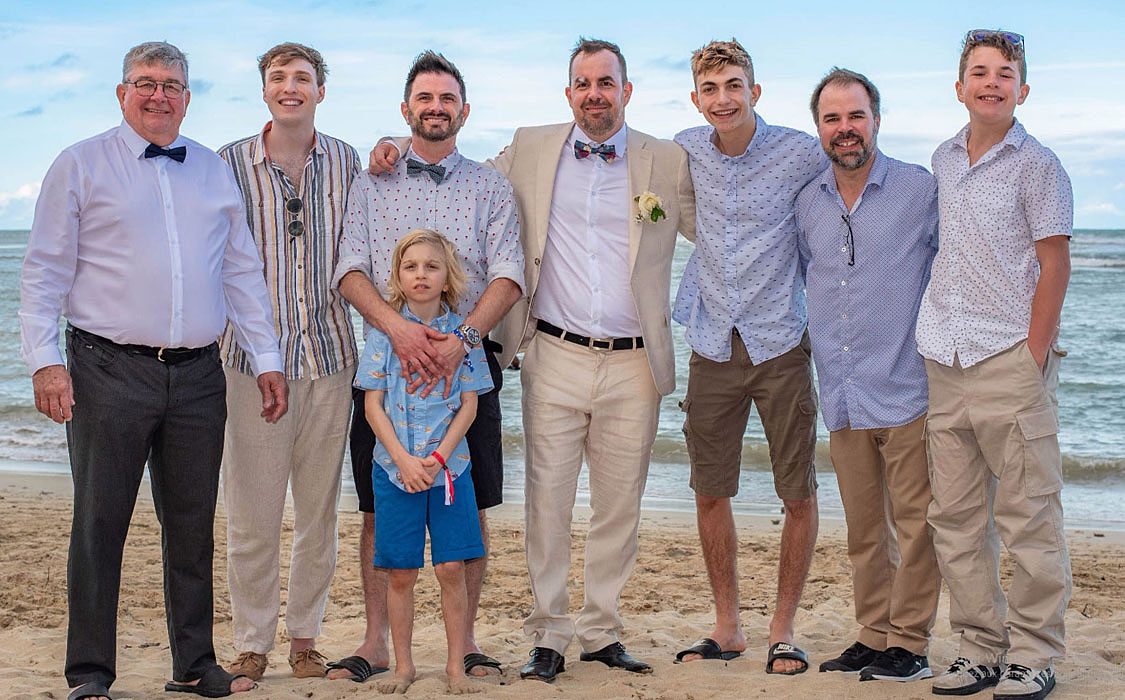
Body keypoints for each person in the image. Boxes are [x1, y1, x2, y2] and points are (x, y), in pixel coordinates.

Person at [18, 41, 287, 700]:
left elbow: (240, 270)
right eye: (145, 82)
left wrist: (267, 358)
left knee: (192, 527)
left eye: (170, 85)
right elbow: (45, 270)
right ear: (122, 93)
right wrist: (45, 361)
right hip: (105, 369)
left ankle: (194, 664)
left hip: (199, 375)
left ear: (187, 99)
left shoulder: (211, 170)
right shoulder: (79, 164)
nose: (158, 95)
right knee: (100, 525)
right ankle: (90, 674)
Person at [479, 38, 695, 682]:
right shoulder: (530, 147)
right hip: (553, 353)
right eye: (583, 83)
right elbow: (465, 186)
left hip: (636, 362)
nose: (594, 94)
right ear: (568, 92)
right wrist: (396, 152)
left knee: (618, 505)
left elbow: (721, 228)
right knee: (546, 502)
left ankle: (601, 630)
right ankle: (547, 633)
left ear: (626, 91)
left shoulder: (667, 159)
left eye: (606, 82)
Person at [329, 50, 523, 683]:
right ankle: (377, 643)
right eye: (425, 98)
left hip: (465, 360)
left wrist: (459, 340)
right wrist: (400, 331)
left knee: (469, 504)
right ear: (405, 109)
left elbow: (508, 275)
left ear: (463, 112)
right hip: (389, 365)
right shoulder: (371, 182)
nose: (436, 108)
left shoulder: (491, 187)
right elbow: (349, 271)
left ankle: (464, 646)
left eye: (447, 99)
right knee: (378, 508)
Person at [918, 30, 1072, 700]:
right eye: (978, 72)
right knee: (954, 521)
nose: (990, 83)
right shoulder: (942, 159)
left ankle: (1033, 654)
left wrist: (1033, 354)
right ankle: (979, 649)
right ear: (959, 88)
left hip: (1008, 358)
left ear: (1022, 90)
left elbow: (1054, 263)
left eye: (1003, 73)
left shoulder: (1039, 166)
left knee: (1028, 518)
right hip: (944, 358)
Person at [670, 39, 825, 675]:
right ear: (696, 98)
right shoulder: (684, 149)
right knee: (710, 490)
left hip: (781, 340)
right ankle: (728, 626)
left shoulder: (800, 151)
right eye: (710, 89)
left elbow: (858, 177)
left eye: (734, 85)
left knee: (798, 492)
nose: (723, 99)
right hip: (711, 341)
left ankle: (782, 629)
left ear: (754, 91)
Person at [218, 42, 361, 682]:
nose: (290, 87)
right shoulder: (228, 164)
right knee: (252, 514)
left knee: (318, 513)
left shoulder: (348, 161)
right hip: (250, 364)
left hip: (330, 358)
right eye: (278, 77)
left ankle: (305, 640)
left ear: (320, 92)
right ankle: (252, 641)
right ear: (265, 90)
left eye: (302, 78)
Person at [794, 68, 941, 682]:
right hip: (844, 393)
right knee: (863, 530)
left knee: (917, 526)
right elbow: (809, 277)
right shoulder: (808, 202)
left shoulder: (919, 189)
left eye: (856, 116)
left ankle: (908, 641)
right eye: (832, 118)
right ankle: (872, 633)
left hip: (908, 387)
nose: (845, 128)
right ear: (819, 128)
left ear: (876, 120)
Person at [355, 229, 492, 695]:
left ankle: (455, 666)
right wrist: (404, 461)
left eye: (431, 266)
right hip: (396, 473)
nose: (421, 275)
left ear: (447, 277)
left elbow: (469, 405)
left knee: (451, 569)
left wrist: (436, 458)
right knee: (401, 574)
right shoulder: (382, 335)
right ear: (397, 276)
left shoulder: (463, 338)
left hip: (449, 472)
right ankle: (404, 667)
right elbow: (372, 406)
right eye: (410, 266)